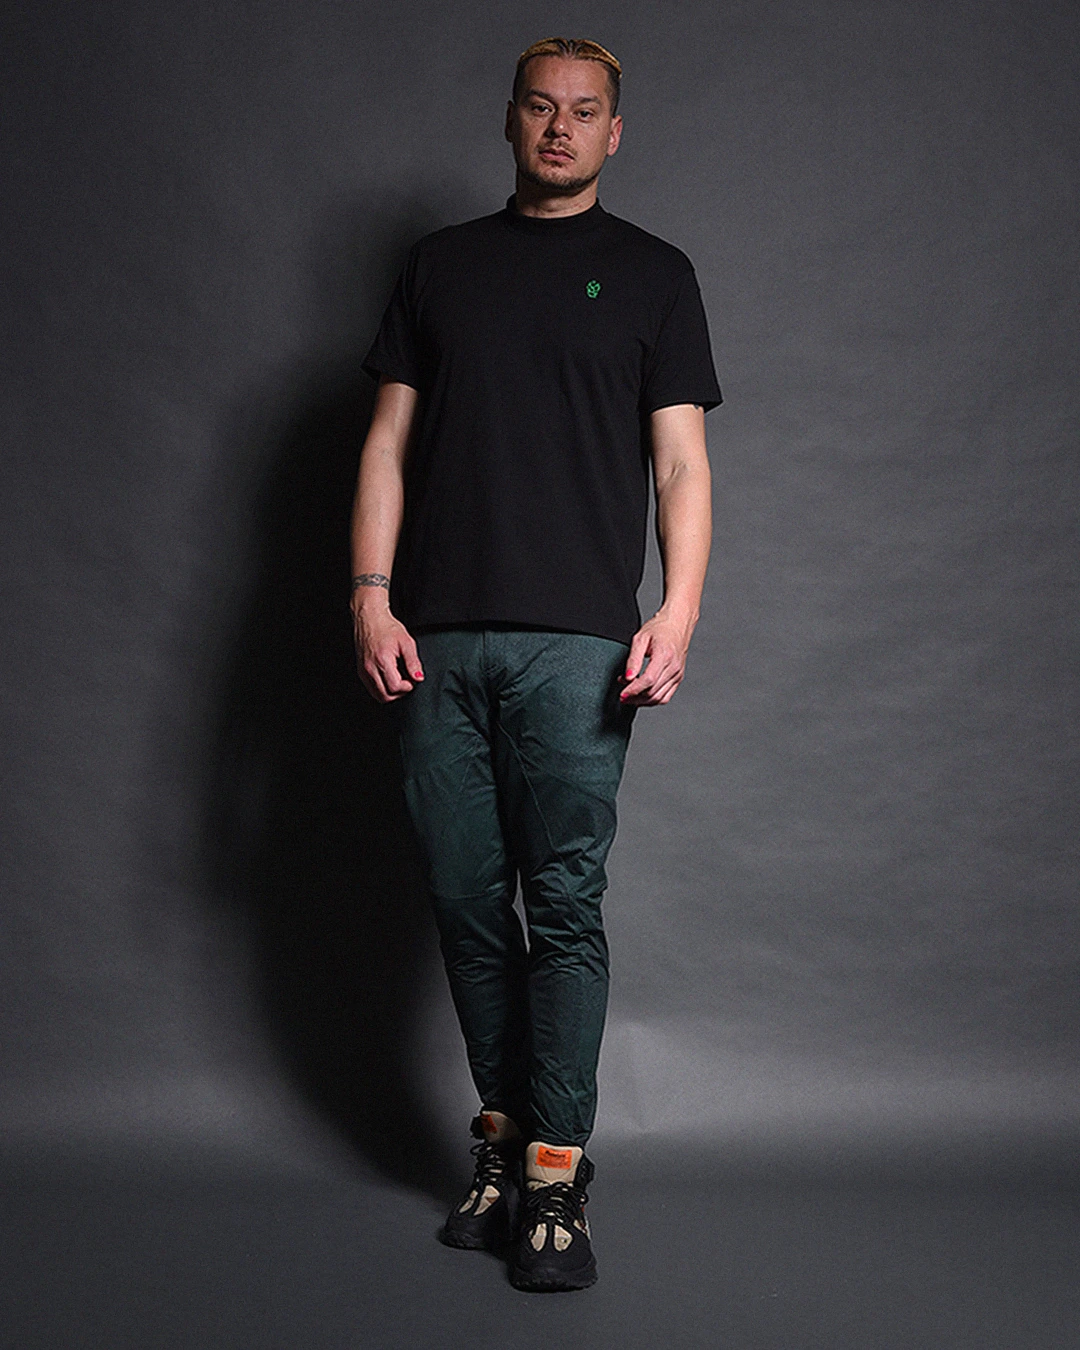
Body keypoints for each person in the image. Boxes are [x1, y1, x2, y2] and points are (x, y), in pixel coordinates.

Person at [350, 36, 721, 1292]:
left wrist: (678, 610)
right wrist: (370, 597)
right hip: (436, 639)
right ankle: (502, 1144)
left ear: (616, 133)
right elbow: (386, 445)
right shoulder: (439, 266)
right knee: (465, 905)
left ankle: (556, 1174)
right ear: (510, 120)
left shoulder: (656, 274)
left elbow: (680, 463)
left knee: (561, 906)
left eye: (585, 111)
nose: (560, 127)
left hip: (580, 647)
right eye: (540, 106)